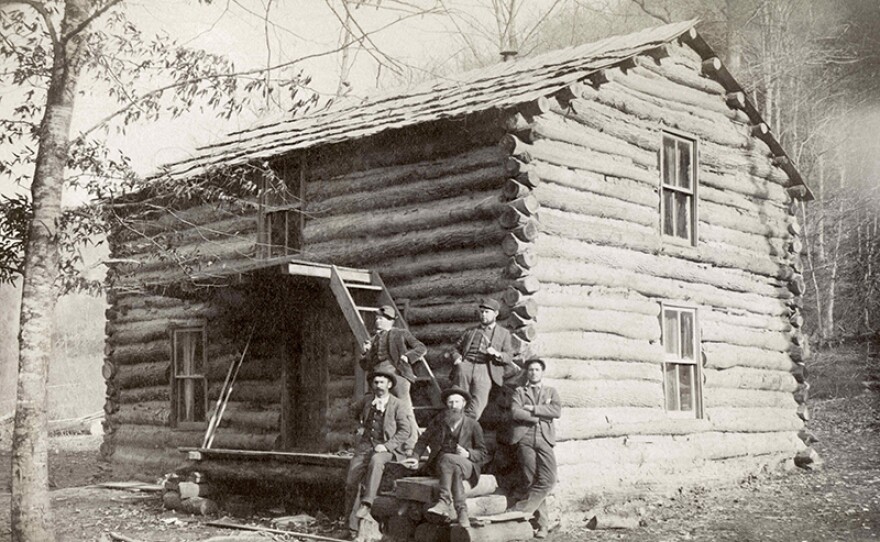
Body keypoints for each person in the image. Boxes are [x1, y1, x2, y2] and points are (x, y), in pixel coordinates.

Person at [402, 387, 488, 528]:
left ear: (464, 404)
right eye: (450, 402)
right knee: (453, 468)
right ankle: (462, 513)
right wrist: (416, 457)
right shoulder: (439, 422)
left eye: (456, 402)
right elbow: (423, 440)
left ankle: (444, 502)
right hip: (441, 467)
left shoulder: (473, 425)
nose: (453, 406)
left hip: (466, 464)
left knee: (448, 458)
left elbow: (482, 453)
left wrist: (468, 453)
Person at [343, 370, 412, 537]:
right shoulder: (367, 400)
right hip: (365, 445)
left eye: (382, 382)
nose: (378, 386)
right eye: (375, 382)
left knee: (377, 460)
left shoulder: (397, 404)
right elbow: (351, 412)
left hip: (388, 449)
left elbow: (405, 430)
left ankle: (367, 503)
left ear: (389, 385)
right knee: (351, 481)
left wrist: (387, 446)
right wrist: (357, 427)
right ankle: (349, 528)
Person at [510, 358, 561, 539]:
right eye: (530, 370)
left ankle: (520, 509)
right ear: (527, 373)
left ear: (542, 372)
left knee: (548, 479)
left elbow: (556, 411)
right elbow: (515, 412)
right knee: (531, 481)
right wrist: (537, 417)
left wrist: (532, 408)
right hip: (524, 438)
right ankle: (543, 526)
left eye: (537, 370)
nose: (533, 373)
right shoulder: (519, 391)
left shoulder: (550, 391)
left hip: (544, 438)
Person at [451, 298, 517, 419]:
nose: (483, 315)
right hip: (465, 366)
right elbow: (455, 348)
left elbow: (508, 356)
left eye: (487, 312)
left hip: (485, 369)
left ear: (496, 314)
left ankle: (464, 429)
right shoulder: (471, 331)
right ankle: (457, 432)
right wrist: (457, 358)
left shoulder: (503, 333)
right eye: (481, 312)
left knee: (476, 408)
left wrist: (497, 354)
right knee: (457, 402)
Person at [359, 305, 427, 410]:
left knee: (404, 407)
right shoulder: (373, 340)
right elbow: (365, 366)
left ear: (390, 320)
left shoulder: (401, 333)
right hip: (379, 377)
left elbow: (421, 348)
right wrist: (365, 352)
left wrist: (408, 357)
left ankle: (411, 427)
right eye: (377, 318)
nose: (377, 321)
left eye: (381, 318)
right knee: (380, 407)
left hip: (398, 374)